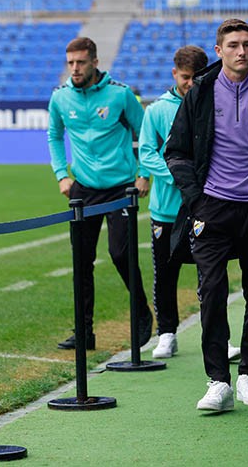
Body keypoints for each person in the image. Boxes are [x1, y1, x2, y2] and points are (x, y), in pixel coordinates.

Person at [164, 19, 248, 411]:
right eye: (233, 45)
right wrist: (195, 200)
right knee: (212, 292)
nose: (241, 51)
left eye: (247, 44)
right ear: (218, 51)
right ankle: (218, 381)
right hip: (211, 207)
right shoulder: (200, 90)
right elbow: (176, 150)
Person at [48, 36, 153, 351]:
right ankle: (84, 332)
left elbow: (146, 131)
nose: (75, 69)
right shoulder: (60, 98)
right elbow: (54, 135)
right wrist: (60, 176)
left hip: (120, 188)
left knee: (121, 254)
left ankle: (142, 316)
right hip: (82, 188)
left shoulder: (120, 95)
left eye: (80, 62)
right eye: (70, 63)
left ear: (95, 62)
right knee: (81, 260)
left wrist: (144, 174)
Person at [138, 45, 241, 361]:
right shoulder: (156, 110)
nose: (190, 83)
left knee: (211, 279)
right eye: (185, 78)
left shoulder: (214, 102)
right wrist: (177, 175)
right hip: (167, 210)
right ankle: (167, 334)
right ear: (175, 74)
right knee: (165, 274)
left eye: (196, 77)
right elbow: (146, 153)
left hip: (205, 207)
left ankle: (219, 340)